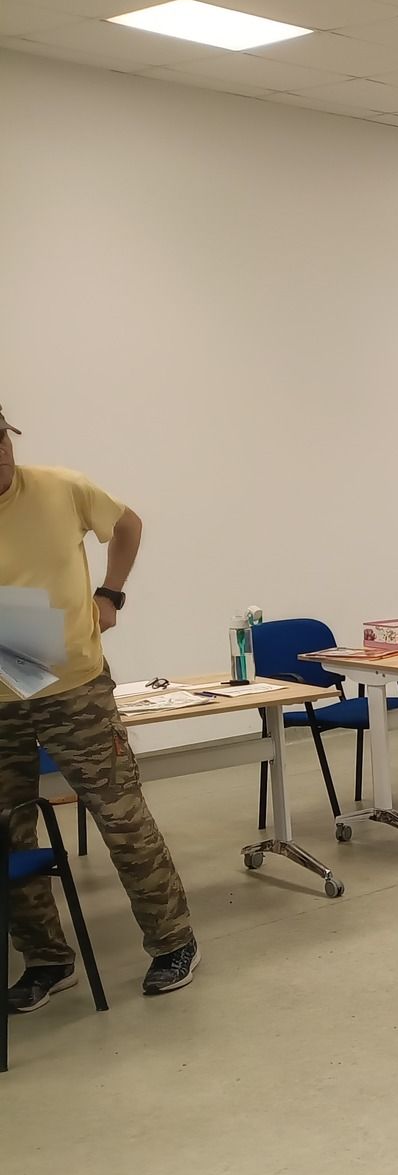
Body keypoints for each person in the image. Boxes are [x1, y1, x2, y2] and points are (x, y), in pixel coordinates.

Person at [0, 404, 200, 1010]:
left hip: (74, 688)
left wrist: (110, 594)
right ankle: (47, 960)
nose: (0, 452)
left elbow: (129, 524)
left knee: (121, 816)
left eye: (1, 436)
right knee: (8, 831)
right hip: (1, 695)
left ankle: (173, 942)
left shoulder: (61, 488)